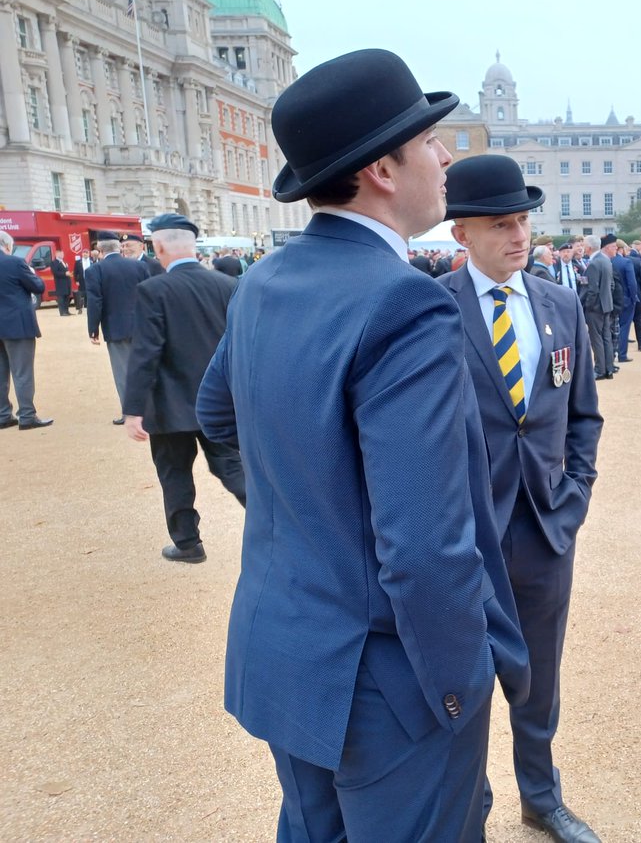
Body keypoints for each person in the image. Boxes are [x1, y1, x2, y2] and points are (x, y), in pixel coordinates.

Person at [194, 48, 528, 842]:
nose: (444, 158)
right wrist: (461, 684)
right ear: (382, 169)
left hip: (285, 645)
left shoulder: (263, 281)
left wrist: (309, 516)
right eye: (429, 142)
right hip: (390, 680)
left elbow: (216, 414)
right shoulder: (405, 302)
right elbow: (425, 545)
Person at [440, 154, 603, 843]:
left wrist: (575, 496)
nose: (519, 236)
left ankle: (540, 796)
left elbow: (583, 413)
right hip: (465, 534)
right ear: (461, 234)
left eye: (523, 221)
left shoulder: (558, 304)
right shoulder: (431, 307)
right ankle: (468, 805)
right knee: (466, 676)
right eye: (500, 224)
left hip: (544, 527)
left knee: (538, 677)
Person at [122, 213, 246, 563]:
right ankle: (281, 527)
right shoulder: (227, 285)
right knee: (233, 467)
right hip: (220, 399)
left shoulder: (153, 290)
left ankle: (188, 543)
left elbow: (145, 353)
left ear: (158, 247)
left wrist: (133, 409)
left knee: (174, 473)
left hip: (169, 402)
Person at [86, 236, 150, 425]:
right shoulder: (139, 266)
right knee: (144, 367)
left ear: (100, 250)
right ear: (119, 248)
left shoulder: (95, 270)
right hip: (142, 325)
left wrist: (93, 329)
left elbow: (95, 301)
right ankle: (150, 408)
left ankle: (130, 413)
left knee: (122, 372)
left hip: (115, 326)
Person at [0, 230, 52, 430]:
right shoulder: (15, 263)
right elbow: (38, 287)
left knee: (0, 373)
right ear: (7, 245)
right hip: (17, 325)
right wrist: (31, 273)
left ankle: (3, 414)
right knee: (22, 372)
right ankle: (27, 415)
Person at [582, 236, 615, 379]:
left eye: (584, 245)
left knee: (597, 339)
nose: (583, 248)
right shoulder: (605, 260)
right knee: (606, 337)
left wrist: (588, 306)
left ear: (589, 248)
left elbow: (592, 290)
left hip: (596, 307)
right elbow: (611, 285)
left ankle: (600, 369)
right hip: (606, 304)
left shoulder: (594, 263)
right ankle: (609, 368)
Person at [612, 241, 640, 363]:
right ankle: (622, 354)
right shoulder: (626, 262)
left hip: (611, 299)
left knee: (610, 327)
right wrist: (634, 298)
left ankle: (611, 354)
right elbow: (632, 283)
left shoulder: (608, 261)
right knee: (624, 327)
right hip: (626, 299)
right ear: (621, 249)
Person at [49, 248, 73, 316]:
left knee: (67, 297)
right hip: (60, 283)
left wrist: (69, 274)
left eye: (63, 253)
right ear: (56, 254)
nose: (62, 255)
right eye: (61, 253)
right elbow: (55, 272)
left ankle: (66, 311)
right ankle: (62, 312)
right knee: (61, 298)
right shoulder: (54, 262)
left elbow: (66, 270)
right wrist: (65, 274)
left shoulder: (64, 262)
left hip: (67, 282)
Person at [73, 249, 95, 313]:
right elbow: (75, 272)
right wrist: (76, 280)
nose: (85, 254)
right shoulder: (78, 262)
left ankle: (89, 307)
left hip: (91, 280)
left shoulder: (92, 261)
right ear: (82, 254)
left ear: (89, 254)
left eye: (86, 252)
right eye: (84, 253)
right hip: (81, 280)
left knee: (90, 293)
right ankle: (80, 308)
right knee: (81, 295)